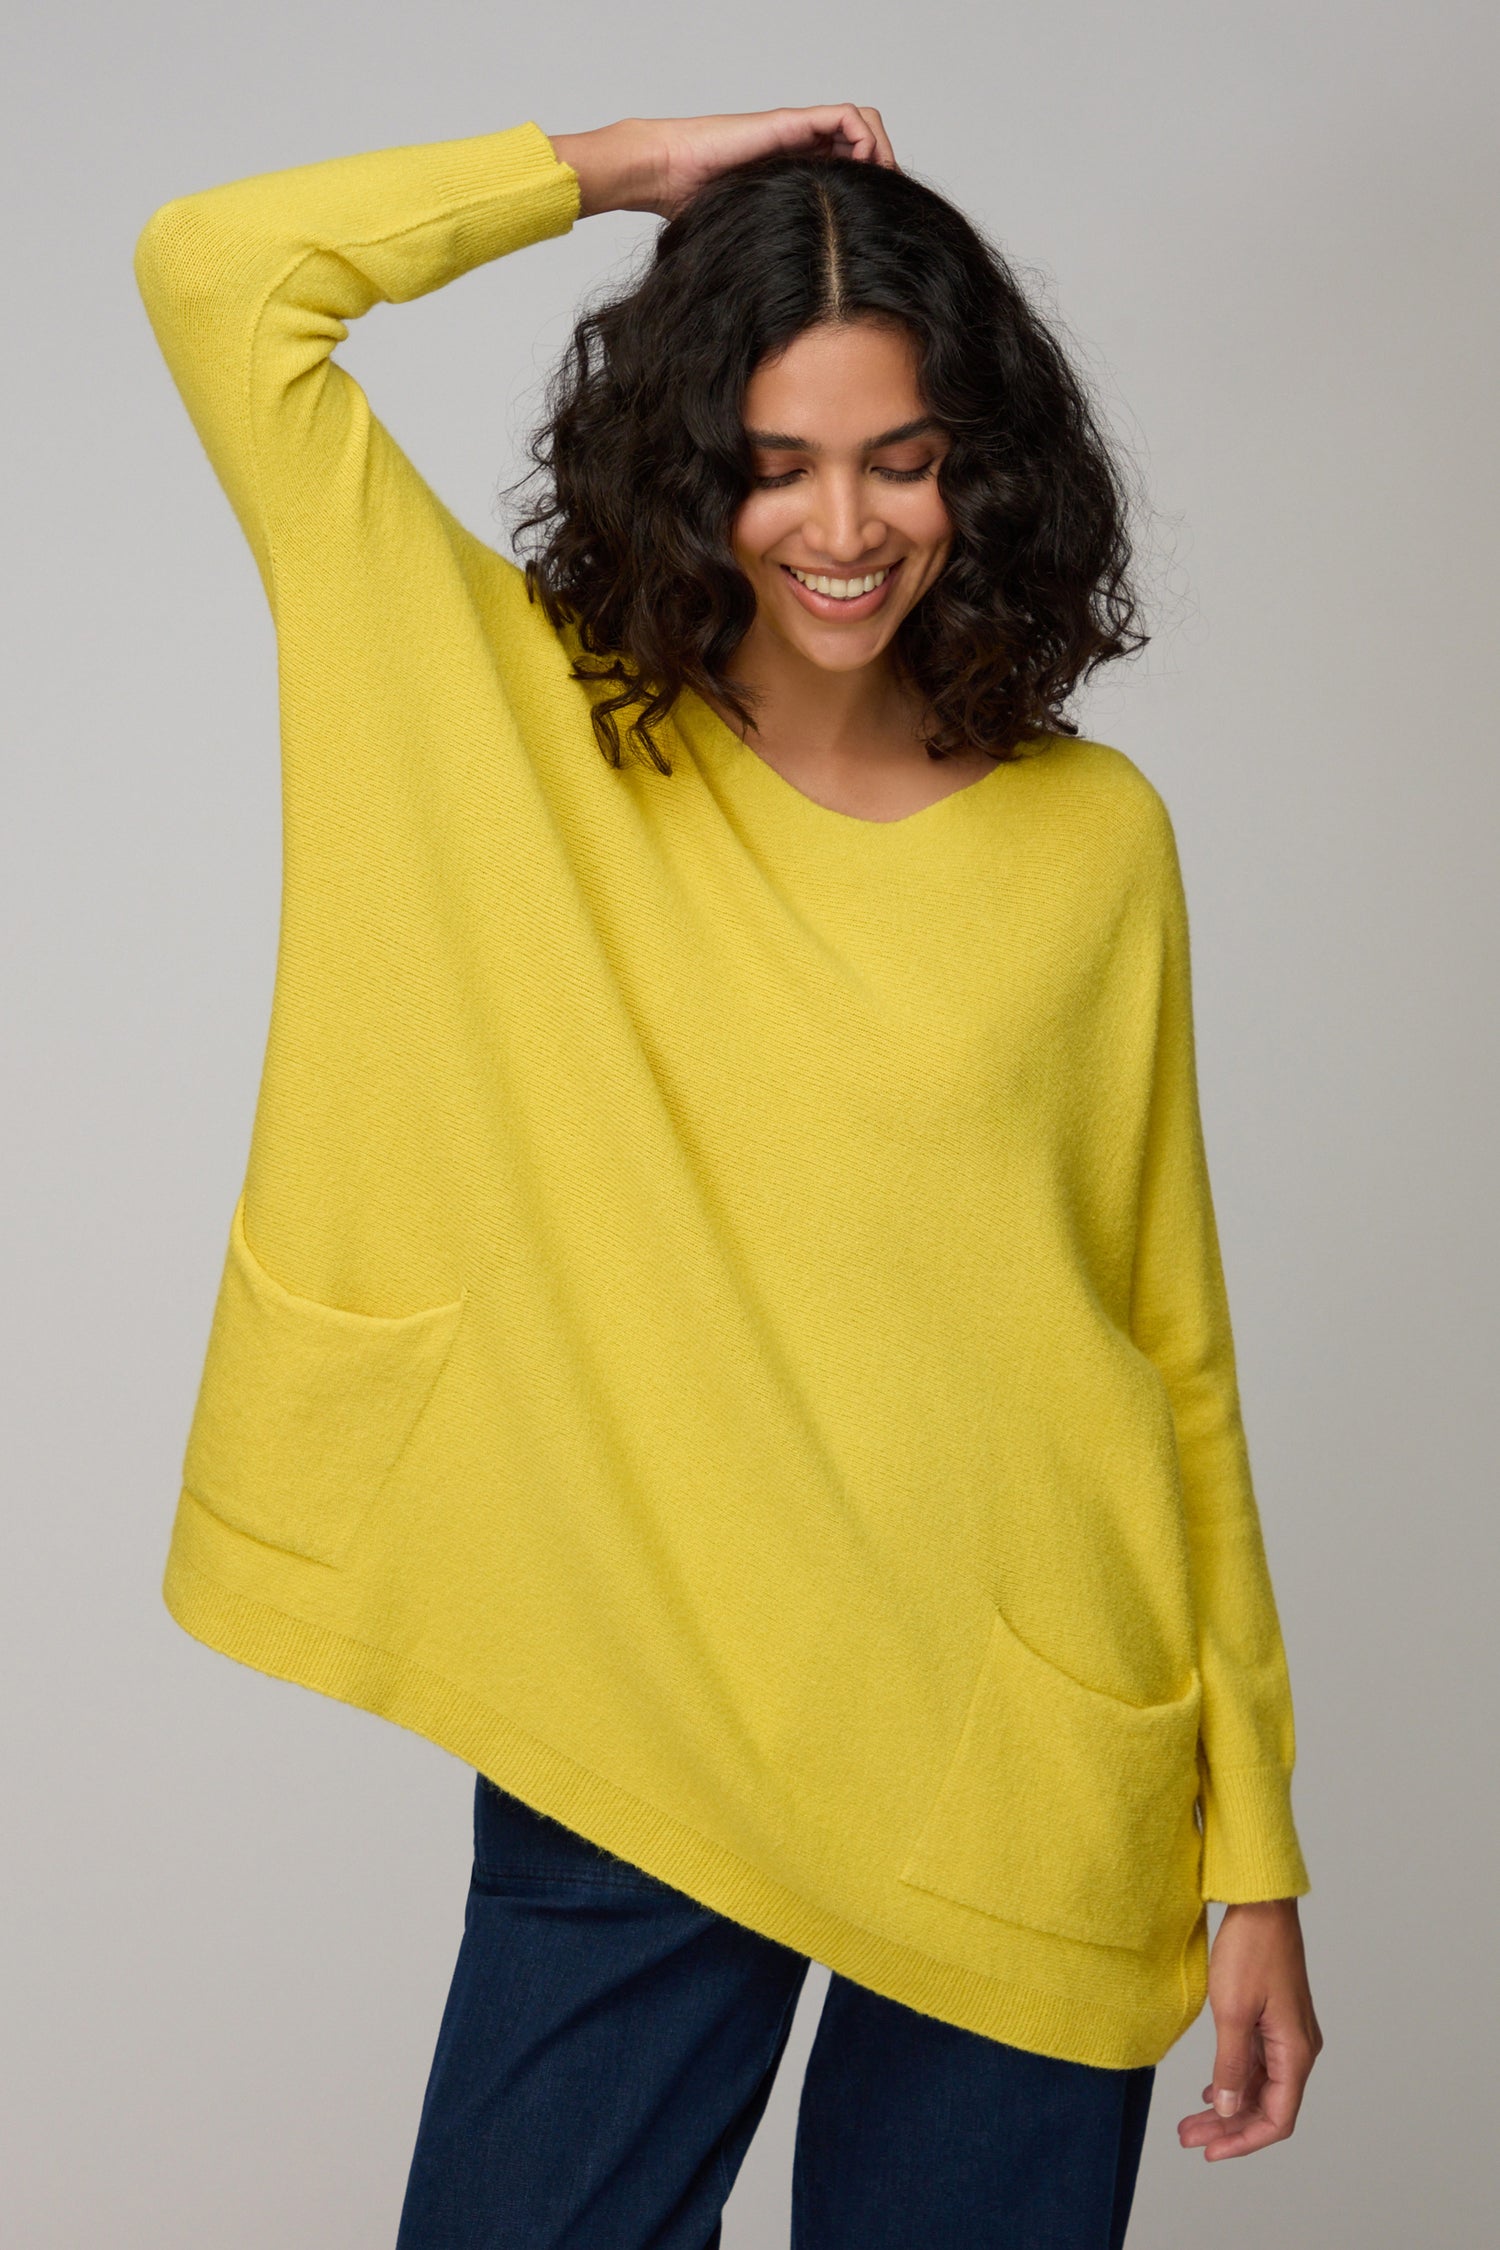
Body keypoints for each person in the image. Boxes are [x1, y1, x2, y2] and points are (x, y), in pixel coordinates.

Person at [135, 103, 1322, 2249]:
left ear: (985, 466)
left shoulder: (1092, 843)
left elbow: (1170, 1349)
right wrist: (626, 169)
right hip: (639, 1717)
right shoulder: (519, 715)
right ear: (686, 463)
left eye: (903, 453)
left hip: (1025, 1755)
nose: (842, 523)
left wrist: (1257, 1848)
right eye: (773, 457)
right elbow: (223, 278)